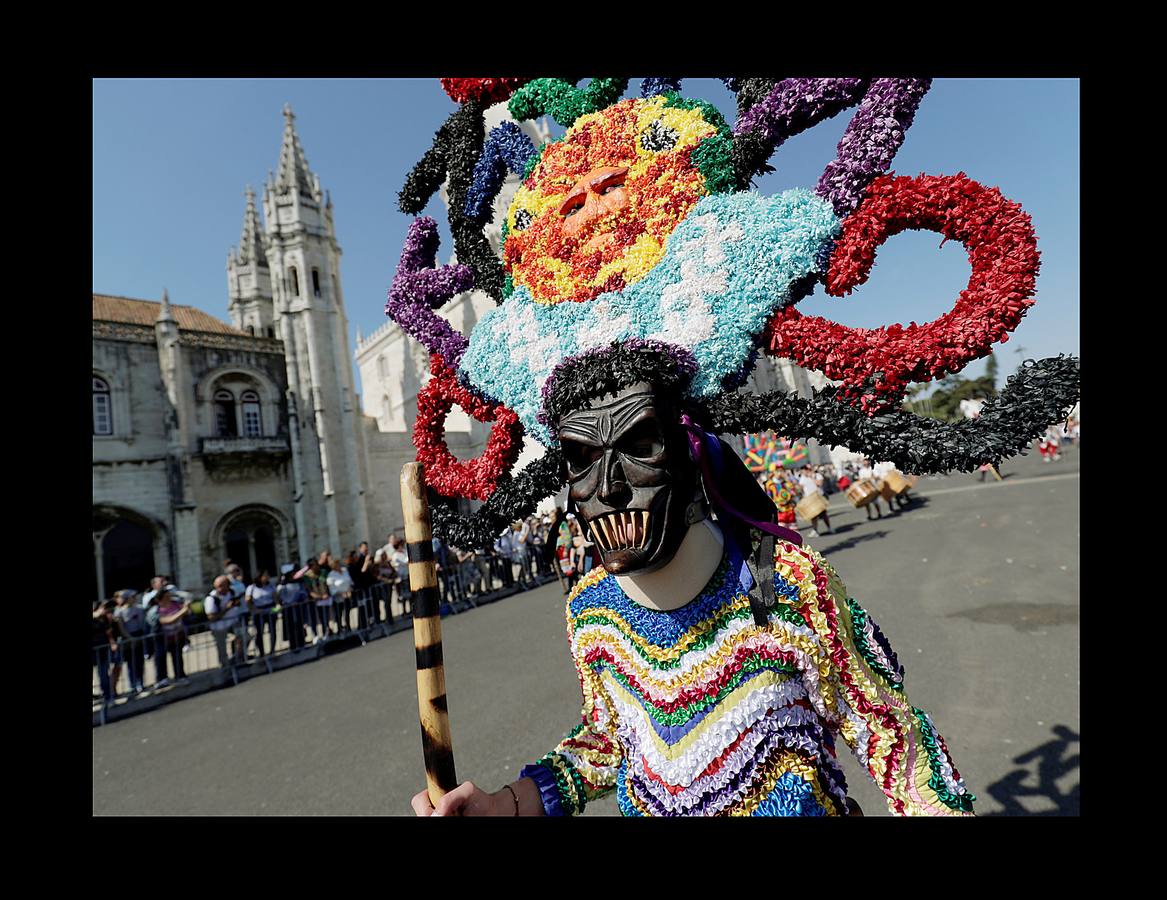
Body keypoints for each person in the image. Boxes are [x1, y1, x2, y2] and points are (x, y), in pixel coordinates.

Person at [391, 77, 1076, 815]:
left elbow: (899, 749)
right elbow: (605, 737)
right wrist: (503, 804)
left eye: (636, 446)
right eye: (580, 459)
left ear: (687, 452)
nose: (607, 487)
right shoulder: (592, 612)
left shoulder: (787, 589)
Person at [113, 589, 148, 695]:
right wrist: (129, 638)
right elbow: (121, 628)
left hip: (139, 635)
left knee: (139, 662)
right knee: (130, 663)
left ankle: (140, 682)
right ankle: (133, 684)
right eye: (132, 597)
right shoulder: (119, 611)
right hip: (127, 639)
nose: (134, 599)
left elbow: (142, 623)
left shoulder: (139, 609)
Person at [205, 575, 244, 668]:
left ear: (227, 585)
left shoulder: (233, 593)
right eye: (217, 586)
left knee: (244, 636)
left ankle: (236, 658)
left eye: (221, 586)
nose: (219, 589)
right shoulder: (211, 598)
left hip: (233, 622)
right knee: (222, 648)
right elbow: (211, 617)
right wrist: (226, 609)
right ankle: (225, 666)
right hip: (218, 627)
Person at [156, 586, 191, 683]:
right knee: (161, 658)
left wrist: (187, 607)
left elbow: (187, 612)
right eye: (167, 596)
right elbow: (167, 620)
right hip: (164, 637)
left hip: (177, 635)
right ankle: (162, 678)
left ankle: (180, 675)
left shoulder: (175, 604)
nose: (169, 598)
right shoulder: (158, 610)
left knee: (177, 656)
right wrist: (182, 612)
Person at [92, 600, 119, 704]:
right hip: (94, 650)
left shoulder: (103, 619)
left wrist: (112, 643)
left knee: (103, 674)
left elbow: (109, 633)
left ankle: (108, 696)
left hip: (102, 650)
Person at [246, 570, 278, 657]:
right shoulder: (252, 588)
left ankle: (272, 650)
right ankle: (261, 652)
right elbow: (248, 601)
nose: (267, 577)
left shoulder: (270, 585)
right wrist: (254, 609)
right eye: (265, 575)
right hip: (259, 611)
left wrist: (277, 606)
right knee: (259, 633)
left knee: (273, 631)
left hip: (270, 609)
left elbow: (275, 597)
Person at [796, 465, 832, 537]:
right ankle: (815, 531)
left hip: (818, 497)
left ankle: (829, 528)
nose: (804, 472)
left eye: (805, 470)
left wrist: (811, 477)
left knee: (823, 514)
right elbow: (800, 488)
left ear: (808, 470)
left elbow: (819, 483)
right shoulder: (802, 478)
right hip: (809, 499)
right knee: (813, 515)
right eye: (802, 470)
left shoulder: (817, 475)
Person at [328, 557, 355, 633]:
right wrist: (341, 593)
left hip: (347, 595)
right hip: (338, 598)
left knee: (347, 613)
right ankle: (340, 630)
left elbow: (350, 581)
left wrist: (349, 589)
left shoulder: (344, 570)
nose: (338, 565)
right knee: (339, 614)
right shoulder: (331, 575)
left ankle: (348, 628)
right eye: (336, 564)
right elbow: (332, 589)